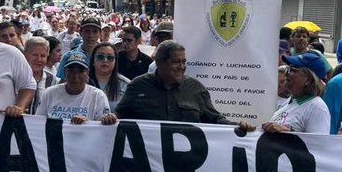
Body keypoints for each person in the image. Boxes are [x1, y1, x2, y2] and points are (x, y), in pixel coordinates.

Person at [115, 40, 255, 131]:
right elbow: (119, 115)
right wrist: (111, 118)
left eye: (184, 62)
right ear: (159, 62)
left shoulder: (195, 88)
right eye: (176, 62)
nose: (182, 67)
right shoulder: (137, 86)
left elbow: (215, 119)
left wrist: (238, 126)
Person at [38, 54, 116, 125]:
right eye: (71, 71)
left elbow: (103, 127)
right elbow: (38, 122)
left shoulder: (98, 96)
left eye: (81, 71)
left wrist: (87, 123)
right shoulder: (49, 93)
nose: (76, 76)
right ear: (65, 72)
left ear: (87, 73)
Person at [263, 57, 330, 134]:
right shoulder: (291, 101)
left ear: (308, 80)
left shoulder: (317, 108)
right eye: (288, 68)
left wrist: (286, 132)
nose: (286, 73)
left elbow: (318, 141)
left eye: (293, 70)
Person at [55, 16, 101, 80]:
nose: (91, 35)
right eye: (87, 31)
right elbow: (62, 81)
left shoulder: (106, 56)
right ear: (81, 33)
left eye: (95, 31)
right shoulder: (68, 56)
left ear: (100, 34)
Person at [88, 42, 129, 112]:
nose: (105, 60)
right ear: (93, 60)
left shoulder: (126, 84)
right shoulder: (82, 81)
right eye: (100, 57)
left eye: (110, 57)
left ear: (115, 61)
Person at [24, 36, 57, 114]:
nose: (39, 59)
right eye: (35, 55)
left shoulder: (52, 79)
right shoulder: (16, 76)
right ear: (25, 54)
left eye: (43, 56)